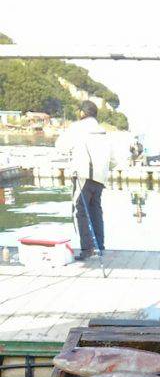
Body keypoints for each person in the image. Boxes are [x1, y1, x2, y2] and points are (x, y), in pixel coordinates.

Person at [55, 100, 114, 260]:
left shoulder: (77, 127)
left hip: (83, 176)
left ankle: (87, 249)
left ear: (82, 113)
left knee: (80, 211)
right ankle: (99, 246)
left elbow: (60, 145)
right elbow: (113, 158)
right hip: (100, 178)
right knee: (96, 211)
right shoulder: (103, 131)